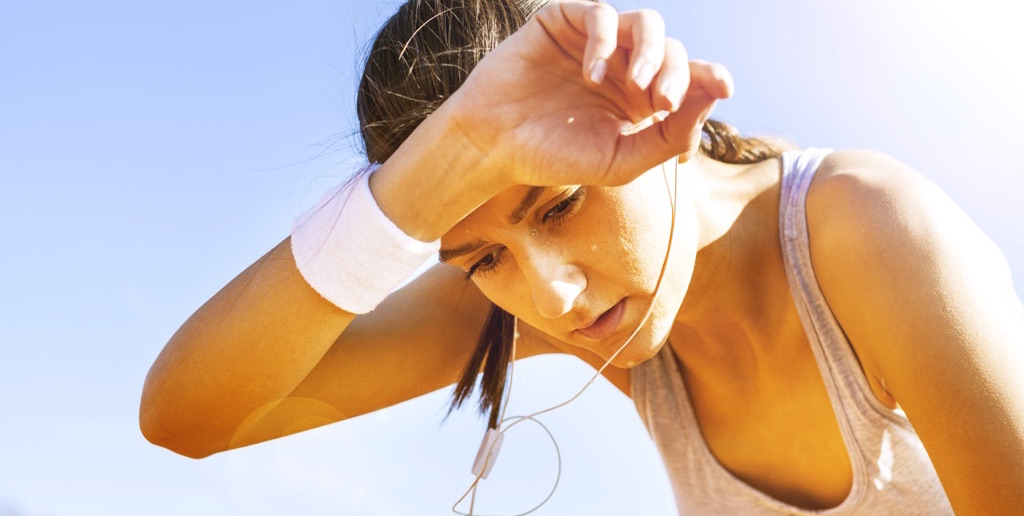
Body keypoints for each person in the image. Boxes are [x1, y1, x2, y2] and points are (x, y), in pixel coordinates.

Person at [139, 0, 1024, 513]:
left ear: (643, 107)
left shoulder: (868, 230)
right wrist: (410, 194)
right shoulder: (556, 303)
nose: (552, 295)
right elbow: (189, 417)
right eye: (480, 259)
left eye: (560, 205)